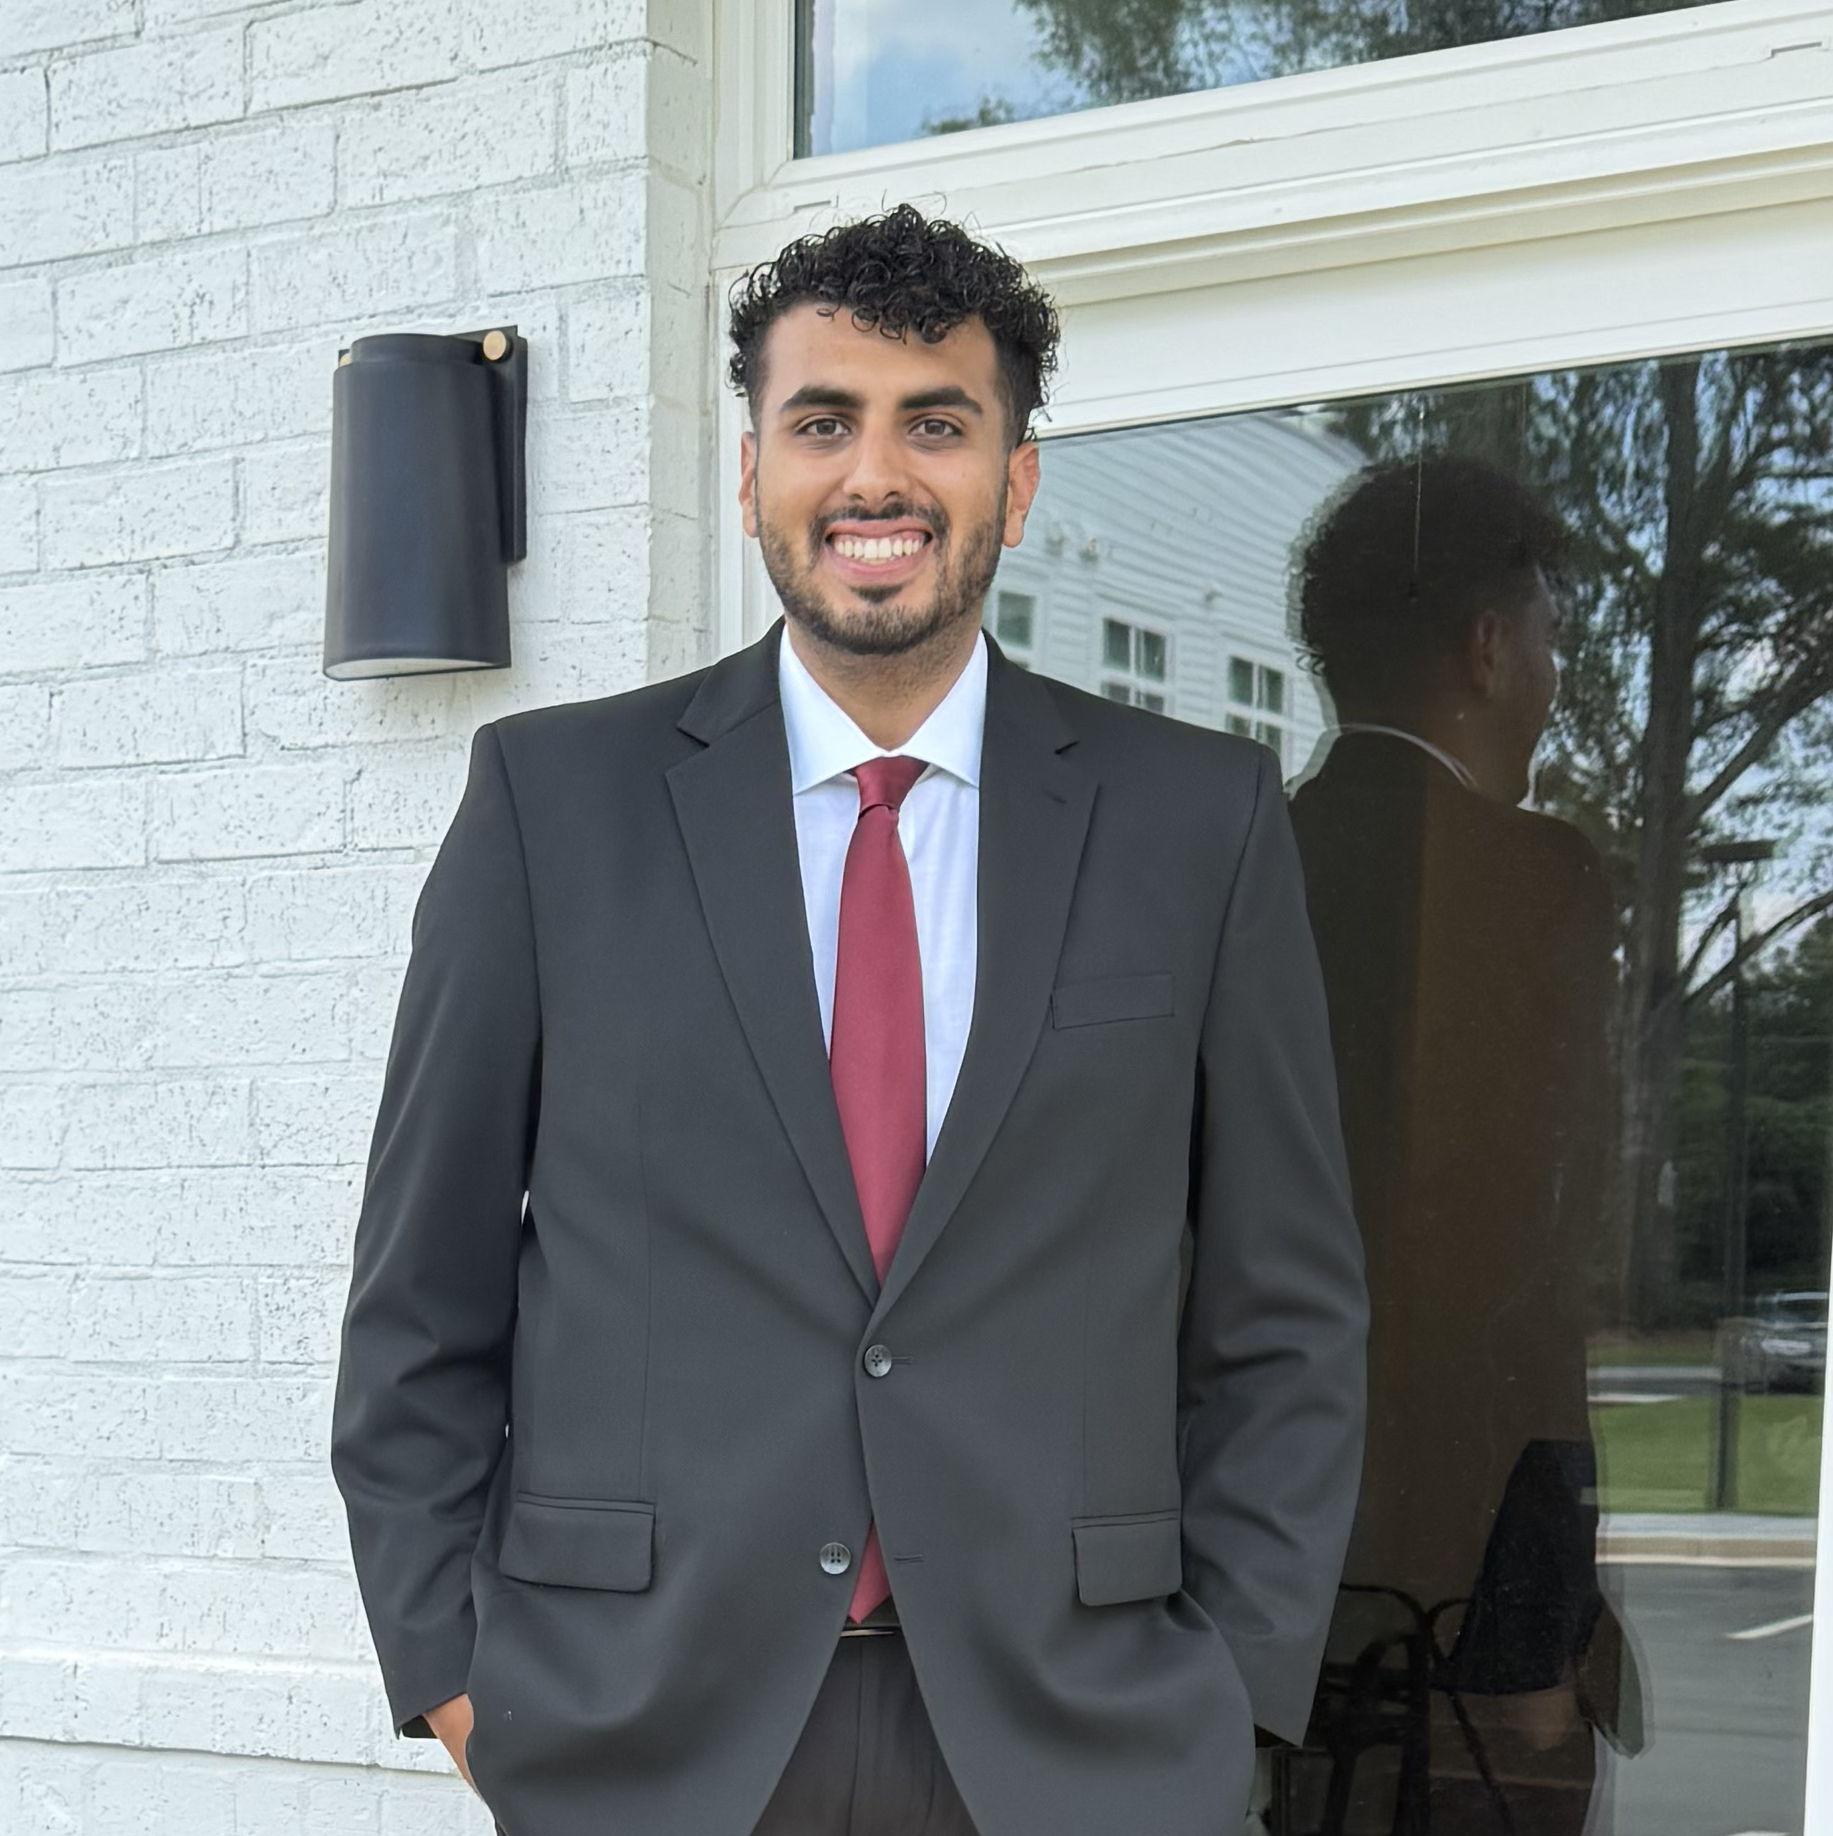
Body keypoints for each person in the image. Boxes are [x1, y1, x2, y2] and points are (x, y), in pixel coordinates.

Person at [330, 202, 1368, 1836]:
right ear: (753, 471)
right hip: (643, 1738)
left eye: (935, 425)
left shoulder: (1198, 822)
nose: (874, 476)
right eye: (823, 423)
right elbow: (419, 1302)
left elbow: (1283, 1315)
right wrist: (462, 1680)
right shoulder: (551, 804)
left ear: (1015, 483)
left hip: (1072, 1744)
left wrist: (1225, 1691)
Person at [1285, 455, 1640, 1832]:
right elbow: (1530, 1270)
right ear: (1488, 649)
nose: (1553, 676)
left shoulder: (1248, 866)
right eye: (1548, 636)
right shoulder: (1536, 885)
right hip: (1468, 1572)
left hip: (1278, 1562)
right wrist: (1542, 1617)